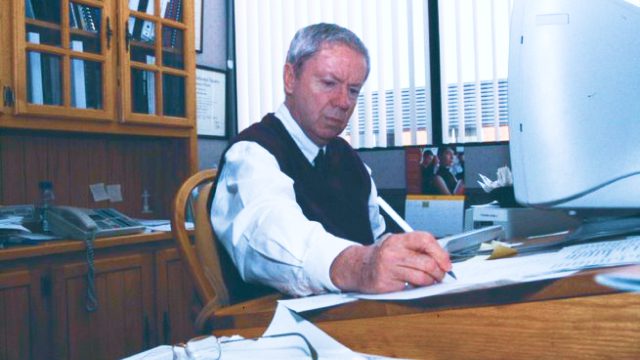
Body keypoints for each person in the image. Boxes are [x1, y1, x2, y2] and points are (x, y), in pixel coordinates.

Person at [211, 23, 452, 298]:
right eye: (329, 83)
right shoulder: (252, 153)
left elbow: (376, 237)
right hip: (277, 328)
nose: (343, 102)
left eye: (353, 90)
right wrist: (360, 267)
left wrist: (406, 256)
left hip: (354, 317)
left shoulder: (348, 159)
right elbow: (267, 231)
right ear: (290, 78)